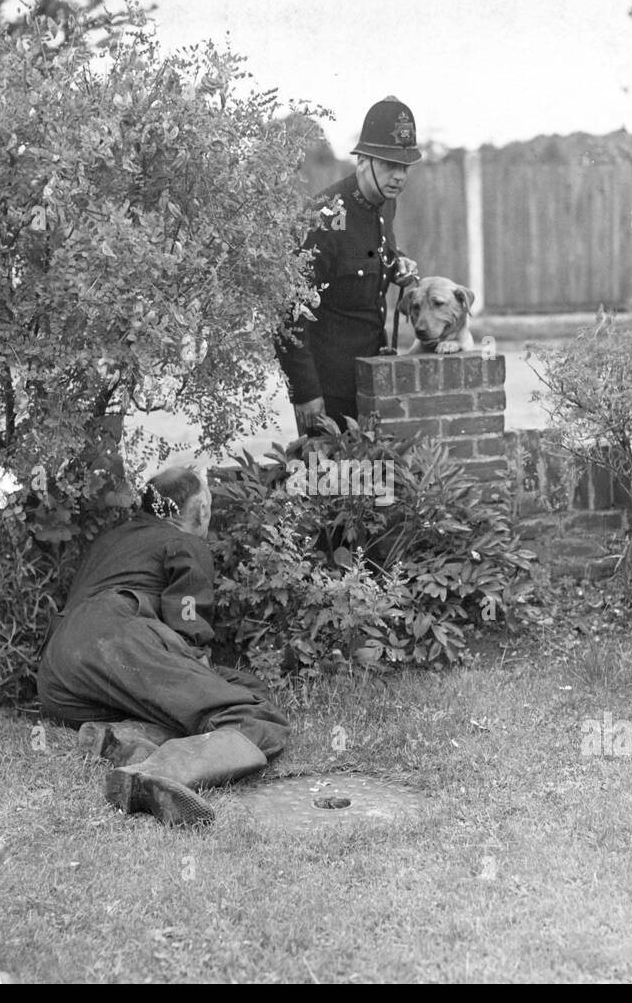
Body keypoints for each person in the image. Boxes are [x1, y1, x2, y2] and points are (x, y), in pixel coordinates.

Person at [37, 466, 290, 827]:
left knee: (242, 689)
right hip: (115, 637)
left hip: (60, 681)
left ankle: (124, 737)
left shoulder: (111, 539)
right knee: (255, 717)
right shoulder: (184, 543)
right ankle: (157, 776)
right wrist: (208, 684)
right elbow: (187, 633)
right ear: (201, 509)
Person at [275, 96, 421, 435]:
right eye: (389, 164)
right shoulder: (324, 217)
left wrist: (399, 267)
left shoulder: (384, 206)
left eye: (405, 166)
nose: (399, 176)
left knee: (374, 481)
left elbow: (373, 254)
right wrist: (306, 393)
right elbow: (287, 313)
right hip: (331, 391)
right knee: (332, 483)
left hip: (372, 378)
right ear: (363, 160)